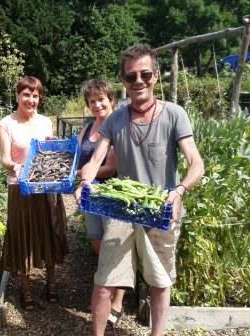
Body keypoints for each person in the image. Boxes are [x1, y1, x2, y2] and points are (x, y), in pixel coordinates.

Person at [75, 44, 204, 336]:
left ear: (156, 76)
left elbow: (196, 162)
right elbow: (96, 160)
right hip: (121, 213)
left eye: (145, 74)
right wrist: (85, 182)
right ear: (123, 82)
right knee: (105, 281)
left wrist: (180, 190)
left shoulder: (174, 114)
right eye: (131, 77)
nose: (139, 81)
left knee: (159, 283)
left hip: (161, 210)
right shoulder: (116, 119)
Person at [0, 75, 68, 311]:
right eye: (26, 94)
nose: (31, 99)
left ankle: (51, 284)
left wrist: (54, 146)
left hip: (46, 186)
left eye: (35, 95)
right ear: (17, 95)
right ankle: (25, 289)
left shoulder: (46, 122)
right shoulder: (6, 123)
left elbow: (50, 152)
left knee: (49, 232)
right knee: (23, 237)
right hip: (21, 188)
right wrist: (17, 167)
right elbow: (5, 159)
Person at [77, 79, 125, 328]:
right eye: (92, 101)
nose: (97, 104)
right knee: (97, 241)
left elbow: (112, 167)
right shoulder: (87, 128)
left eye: (101, 99)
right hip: (90, 195)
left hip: (114, 195)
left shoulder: (118, 125)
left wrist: (88, 173)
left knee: (113, 245)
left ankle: (116, 301)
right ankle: (104, 292)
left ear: (111, 100)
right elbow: (77, 155)